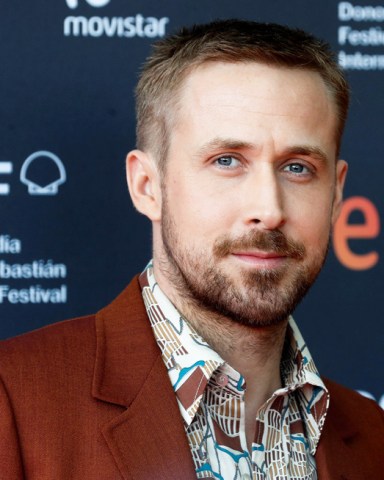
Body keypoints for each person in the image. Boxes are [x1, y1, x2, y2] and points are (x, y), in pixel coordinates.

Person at [0, 19, 383, 480]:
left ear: (337, 195)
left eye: (298, 168)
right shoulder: (14, 400)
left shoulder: (371, 432)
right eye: (226, 161)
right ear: (147, 186)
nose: (269, 208)